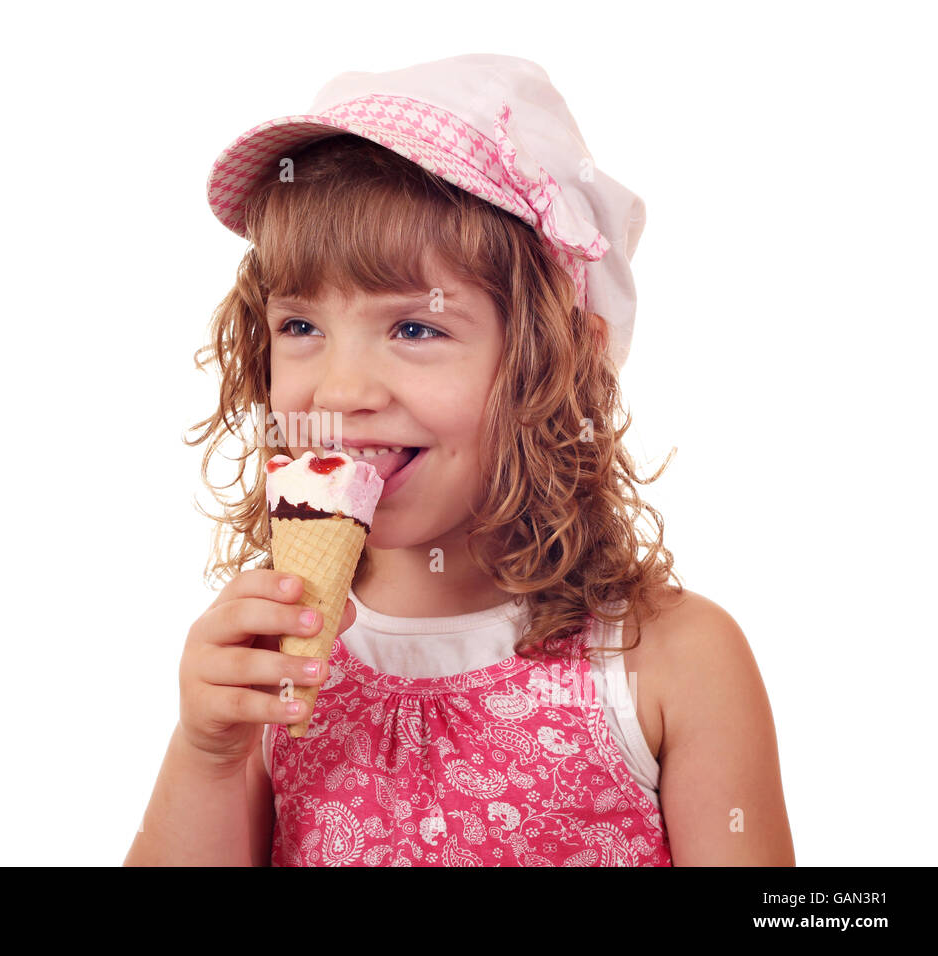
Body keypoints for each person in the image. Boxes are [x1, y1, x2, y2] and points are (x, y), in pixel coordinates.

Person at [125, 54, 795, 866]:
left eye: (415, 329)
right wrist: (209, 755)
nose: (341, 388)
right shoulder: (270, 668)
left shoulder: (672, 662)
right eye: (301, 326)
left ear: (554, 367)